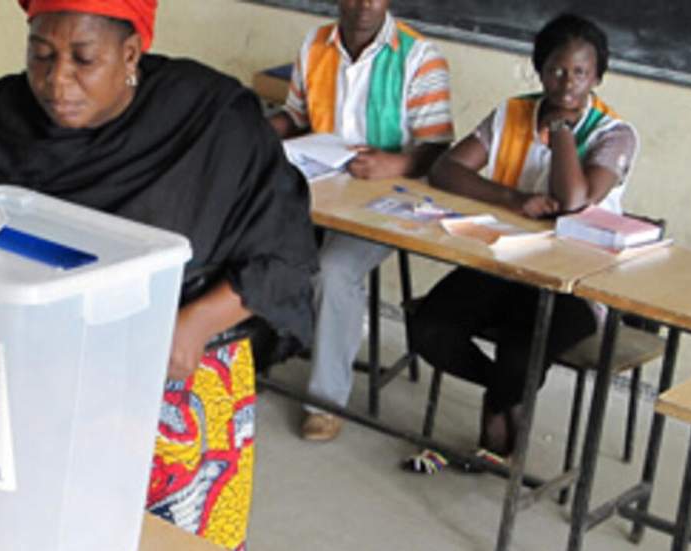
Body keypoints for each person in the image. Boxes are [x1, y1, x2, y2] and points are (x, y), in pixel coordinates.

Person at [0, 1, 318, 548]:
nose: (56, 80)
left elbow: (285, 251)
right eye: (40, 55)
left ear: (131, 54)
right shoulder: (5, 116)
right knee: (34, 527)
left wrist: (195, 323)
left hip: (175, 360)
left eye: (83, 59)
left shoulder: (210, 117)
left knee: (168, 536)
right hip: (39, 361)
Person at [406, 13, 639, 473]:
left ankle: (499, 414)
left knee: (520, 352)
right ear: (539, 68)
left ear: (597, 76)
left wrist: (562, 134)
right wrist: (511, 199)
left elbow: (573, 200)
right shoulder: (512, 112)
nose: (567, 83)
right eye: (556, 69)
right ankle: (503, 397)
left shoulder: (615, 134)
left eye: (580, 72)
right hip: (507, 262)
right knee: (429, 327)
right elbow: (447, 169)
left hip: (576, 282)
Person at [268, 0, 454, 441]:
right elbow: (296, 118)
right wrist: (255, 131)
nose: (365, 4)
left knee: (334, 269)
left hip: (390, 196)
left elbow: (439, 146)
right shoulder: (315, 44)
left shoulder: (419, 57)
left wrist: (398, 163)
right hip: (323, 182)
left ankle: (325, 401)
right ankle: (262, 346)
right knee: (252, 227)